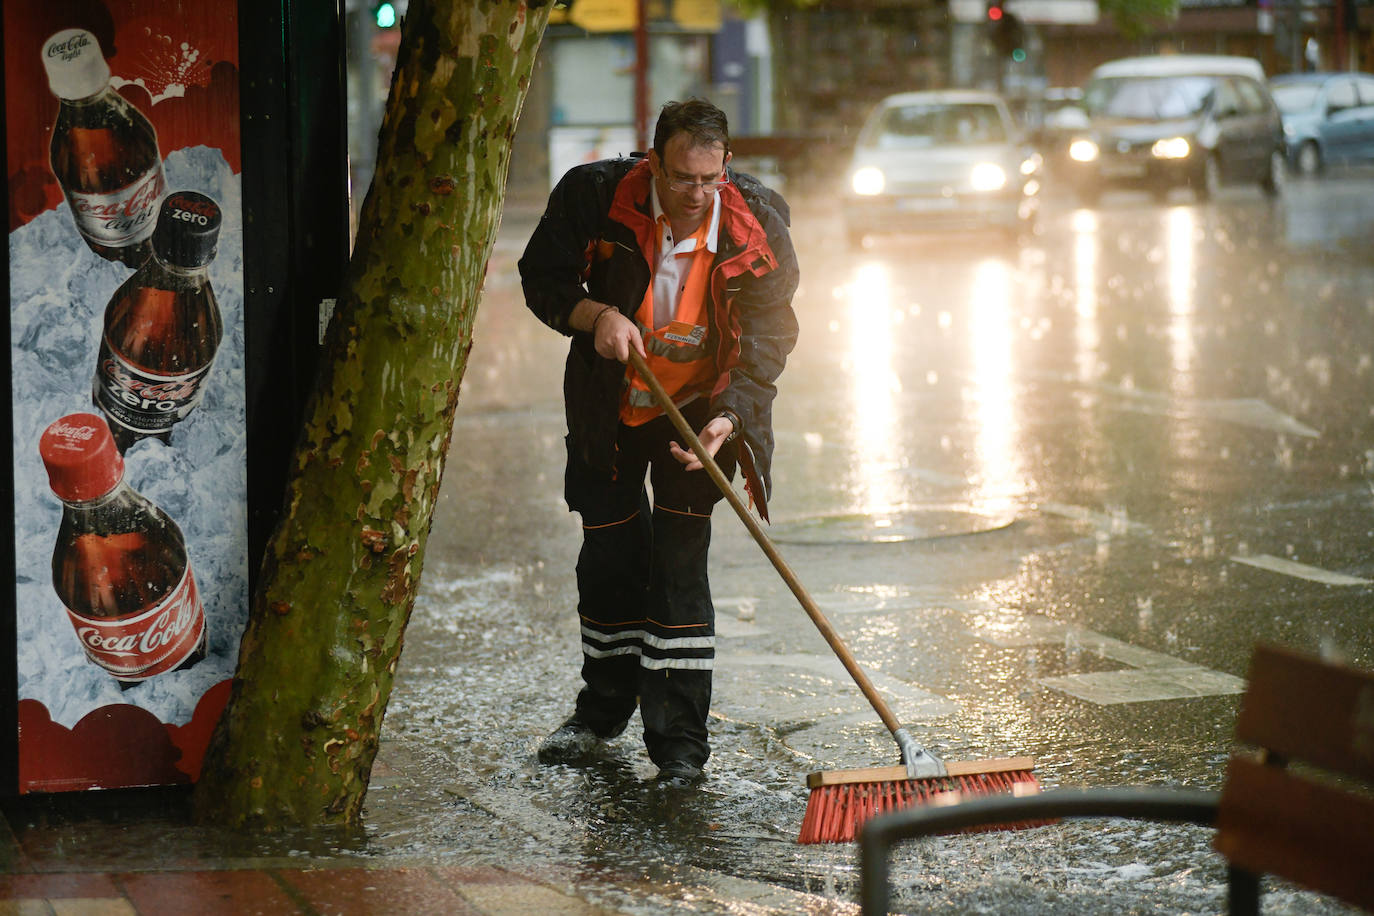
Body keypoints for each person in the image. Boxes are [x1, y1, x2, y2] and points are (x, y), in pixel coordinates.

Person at [519, 98, 799, 787]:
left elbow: (768, 337)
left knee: (679, 566)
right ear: (653, 162)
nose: (696, 195)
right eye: (681, 179)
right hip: (610, 406)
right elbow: (542, 279)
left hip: (700, 412)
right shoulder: (594, 196)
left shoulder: (755, 223)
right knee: (610, 556)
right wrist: (598, 316)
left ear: (725, 167)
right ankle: (602, 710)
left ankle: (679, 746)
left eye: (709, 179)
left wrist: (729, 419)